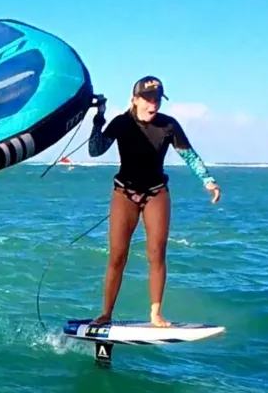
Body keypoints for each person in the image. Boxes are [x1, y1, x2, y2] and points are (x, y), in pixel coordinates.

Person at [88, 77, 220, 328]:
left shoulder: (168, 125)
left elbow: (190, 156)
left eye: (157, 99)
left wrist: (208, 181)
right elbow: (95, 150)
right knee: (117, 256)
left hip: (156, 194)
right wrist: (99, 117)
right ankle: (106, 313)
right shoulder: (122, 123)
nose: (153, 104)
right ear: (135, 100)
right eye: (148, 99)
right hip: (124, 194)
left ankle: (156, 314)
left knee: (157, 253)